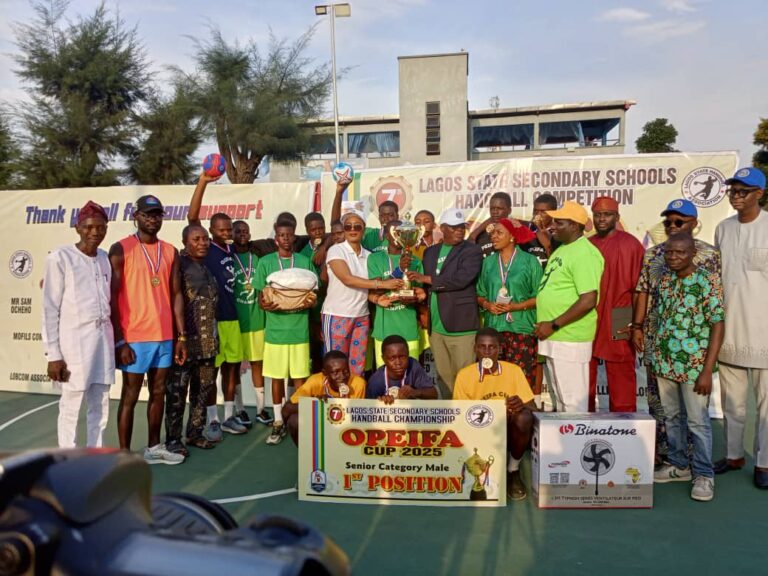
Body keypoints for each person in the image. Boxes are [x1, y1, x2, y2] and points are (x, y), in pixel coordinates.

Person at [633, 199, 721, 464]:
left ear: (693, 223)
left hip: (694, 348)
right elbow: (643, 291)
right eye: (668, 222)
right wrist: (637, 326)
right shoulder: (653, 254)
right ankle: (671, 456)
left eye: (679, 221)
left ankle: (700, 464)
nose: (672, 226)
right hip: (659, 343)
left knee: (696, 416)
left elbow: (715, 311)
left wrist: (708, 364)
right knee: (663, 406)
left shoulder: (710, 256)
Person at [110, 194, 187, 465]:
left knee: (158, 392)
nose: (152, 219)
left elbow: (177, 294)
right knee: (130, 395)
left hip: (164, 336)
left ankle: (154, 447)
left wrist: (180, 336)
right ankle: (123, 454)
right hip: (134, 337)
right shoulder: (121, 249)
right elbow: (112, 297)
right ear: (136, 216)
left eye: (157, 215)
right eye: (147, 214)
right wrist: (120, 341)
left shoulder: (170, 251)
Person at [651, 233, 724, 502]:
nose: (673, 257)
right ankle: (679, 466)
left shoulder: (707, 281)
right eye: (669, 252)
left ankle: (704, 475)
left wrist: (707, 369)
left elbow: (718, 324)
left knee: (697, 422)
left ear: (693, 252)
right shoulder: (666, 279)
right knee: (671, 418)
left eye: (680, 252)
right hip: (665, 361)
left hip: (694, 366)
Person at [712, 167, 768, 488]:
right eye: (732, 190)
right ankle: (734, 455)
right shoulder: (722, 228)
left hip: (764, 332)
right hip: (729, 331)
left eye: (743, 191)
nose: (735, 196)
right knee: (732, 401)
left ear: (759, 194)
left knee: (766, 407)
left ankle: (764, 463)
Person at [42, 201, 114, 449]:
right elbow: (50, 308)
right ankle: (68, 459)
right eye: (89, 227)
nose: (95, 232)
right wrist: (54, 355)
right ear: (77, 228)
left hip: (103, 341)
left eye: (101, 227)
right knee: (71, 406)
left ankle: (95, 454)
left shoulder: (105, 259)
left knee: (101, 403)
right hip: (74, 343)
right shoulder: (61, 257)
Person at [188, 174, 247, 436]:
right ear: (211, 231)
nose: (227, 233)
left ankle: (228, 415)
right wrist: (203, 182)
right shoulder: (208, 247)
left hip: (232, 318)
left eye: (229, 229)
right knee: (210, 371)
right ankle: (212, 419)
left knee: (232, 368)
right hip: (213, 320)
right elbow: (192, 218)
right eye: (221, 230)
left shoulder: (232, 250)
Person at [534, 201, 604, 413]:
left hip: (569, 337)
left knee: (573, 403)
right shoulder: (563, 249)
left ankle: (577, 445)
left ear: (575, 225)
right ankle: (566, 445)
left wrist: (553, 324)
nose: (552, 225)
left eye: (559, 222)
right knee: (563, 399)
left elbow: (588, 299)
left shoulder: (585, 253)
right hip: (556, 336)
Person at [453, 328, 536, 501]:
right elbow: (459, 415)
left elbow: (533, 408)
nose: (487, 352)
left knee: (524, 417)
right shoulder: (464, 375)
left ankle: (513, 470)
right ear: (474, 349)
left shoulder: (513, 371)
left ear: (500, 349)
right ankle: (480, 477)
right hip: (480, 431)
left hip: (509, 428)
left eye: (492, 347)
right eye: (482, 347)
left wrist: (521, 405)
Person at [255, 220, 318, 445]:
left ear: (294, 238)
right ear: (276, 239)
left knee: (300, 377)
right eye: (281, 235)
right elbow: (260, 298)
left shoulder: (304, 262)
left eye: (289, 235)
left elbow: (313, 296)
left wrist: (309, 303)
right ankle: (278, 421)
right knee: (277, 377)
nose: (285, 238)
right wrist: (264, 305)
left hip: (299, 331)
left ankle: (299, 418)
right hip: (275, 332)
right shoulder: (265, 262)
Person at [409, 208, 483, 397]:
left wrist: (427, 279)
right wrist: (419, 291)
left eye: (461, 227)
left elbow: (461, 279)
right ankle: (450, 417)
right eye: (454, 227)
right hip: (436, 326)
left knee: (465, 376)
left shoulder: (472, 250)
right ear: (442, 228)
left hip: (462, 326)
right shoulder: (431, 252)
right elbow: (427, 286)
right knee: (443, 377)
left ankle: (468, 420)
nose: (459, 231)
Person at [323, 210, 403, 376]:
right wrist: (381, 284)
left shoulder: (369, 256)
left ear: (364, 229)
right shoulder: (336, 251)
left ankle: (354, 401)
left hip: (361, 317)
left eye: (357, 226)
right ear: (344, 230)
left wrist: (375, 298)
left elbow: (364, 288)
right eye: (348, 226)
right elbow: (348, 279)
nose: (352, 229)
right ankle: (336, 402)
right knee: (336, 366)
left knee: (357, 367)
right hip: (337, 315)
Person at [164, 225, 220, 454]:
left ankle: (195, 433)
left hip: (209, 344)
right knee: (177, 393)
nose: (203, 243)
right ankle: (173, 440)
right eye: (197, 239)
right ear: (185, 242)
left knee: (202, 390)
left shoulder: (205, 267)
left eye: (206, 239)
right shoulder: (179, 266)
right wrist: (180, 337)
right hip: (184, 344)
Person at [588, 197, 644, 412]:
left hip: (621, 314)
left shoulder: (631, 244)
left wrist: (637, 324)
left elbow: (641, 289)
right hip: (589, 314)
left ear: (617, 217)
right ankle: (582, 424)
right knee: (586, 375)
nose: (602, 219)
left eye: (607, 214)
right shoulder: (587, 245)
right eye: (598, 214)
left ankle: (625, 426)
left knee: (621, 374)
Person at [476, 218, 542, 392]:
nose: (493, 237)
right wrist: (487, 304)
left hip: (521, 330)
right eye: (493, 233)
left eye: (499, 233)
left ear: (512, 237)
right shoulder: (488, 262)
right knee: (492, 383)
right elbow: (479, 293)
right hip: (493, 332)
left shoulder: (530, 261)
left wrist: (516, 307)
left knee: (521, 382)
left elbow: (540, 297)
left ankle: (521, 419)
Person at [367, 220, 427, 366]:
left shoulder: (416, 261)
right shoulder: (375, 258)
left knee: (409, 374)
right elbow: (376, 288)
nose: (397, 236)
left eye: (401, 233)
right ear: (387, 235)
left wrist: (417, 297)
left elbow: (418, 292)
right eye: (394, 233)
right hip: (384, 329)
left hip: (409, 328)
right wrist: (399, 270)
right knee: (385, 377)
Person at [231, 220, 273, 427]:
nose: (241, 234)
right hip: (235, 322)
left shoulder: (258, 257)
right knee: (234, 368)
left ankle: (260, 409)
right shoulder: (228, 258)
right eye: (237, 231)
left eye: (245, 231)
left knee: (258, 364)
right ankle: (239, 410)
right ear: (231, 234)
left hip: (257, 321)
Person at [282, 351, 367, 445]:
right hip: (320, 427)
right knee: (294, 420)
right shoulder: (315, 381)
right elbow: (286, 409)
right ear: (325, 373)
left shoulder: (358, 383)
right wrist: (316, 405)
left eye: (346, 371)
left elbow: (358, 420)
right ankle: (308, 453)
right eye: (335, 372)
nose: (342, 376)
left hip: (347, 430)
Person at [330, 176, 399, 253]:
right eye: (382, 215)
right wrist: (339, 193)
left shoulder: (403, 236)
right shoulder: (369, 234)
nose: (386, 218)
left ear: (397, 216)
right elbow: (335, 225)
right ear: (379, 217)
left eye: (390, 215)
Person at [366, 335, 437, 400]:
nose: (398, 363)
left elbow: (434, 394)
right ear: (383, 358)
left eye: (402, 357)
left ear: (408, 354)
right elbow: (368, 409)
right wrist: (382, 403)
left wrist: (415, 392)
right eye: (392, 358)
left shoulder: (413, 366)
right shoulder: (376, 381)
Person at [469, 192, 514, 257]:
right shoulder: (481, 234)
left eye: (499, 208)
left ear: (509, 210)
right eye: (492, 208)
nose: (495, 212)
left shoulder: (516, 232)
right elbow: (469, 245)